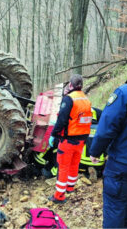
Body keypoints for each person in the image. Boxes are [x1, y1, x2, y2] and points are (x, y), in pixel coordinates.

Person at [89, 46, 127, 228]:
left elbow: (107, 128)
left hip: (122, 162)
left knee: (115, 204)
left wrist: (95, 151)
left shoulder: (126, 92)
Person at [48, 74, 92, 204]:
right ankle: (70, 187)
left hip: (68, 140)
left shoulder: (69, 99)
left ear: (71, 85)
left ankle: (59, 196)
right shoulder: (86, 99)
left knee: (63, 167)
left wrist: (54, 135)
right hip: (81, 140)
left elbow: (61, 120)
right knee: (74, 164)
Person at [37, 107, 106, 179]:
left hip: (79, 164)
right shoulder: (103, 128)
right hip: (98, 164)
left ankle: (52, 172)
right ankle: (92, 171)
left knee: (59, 150)